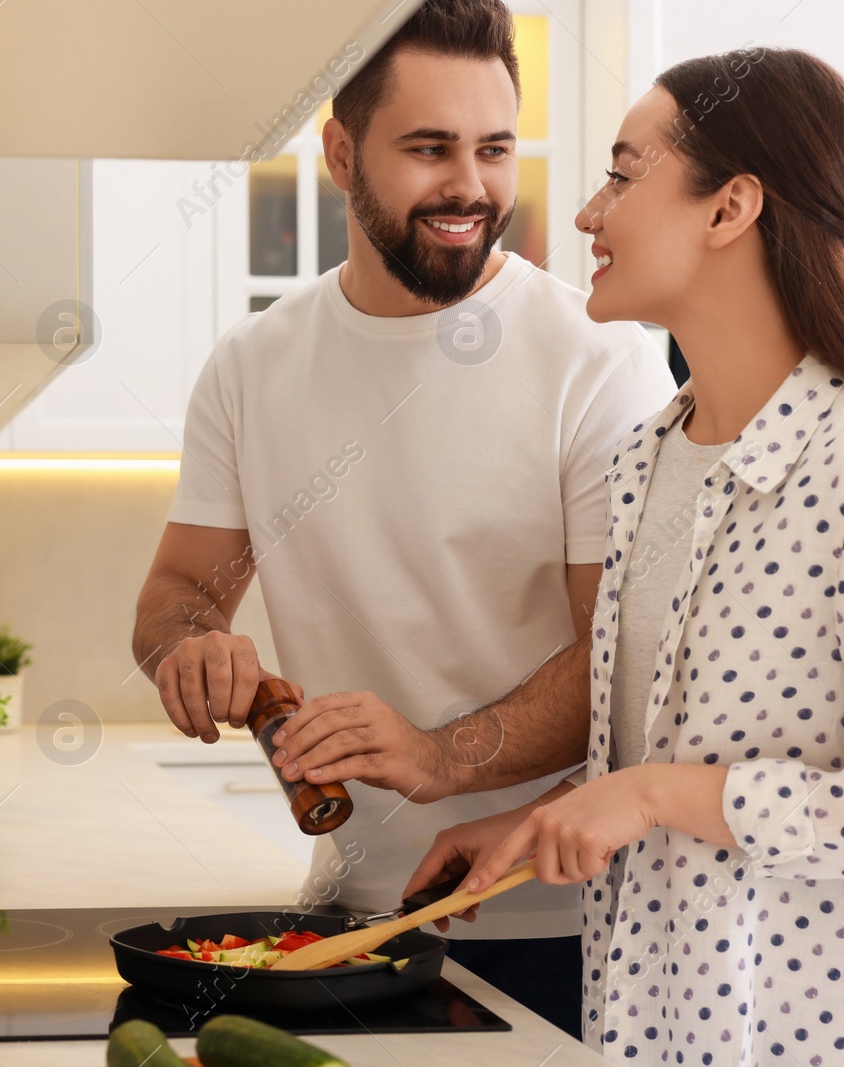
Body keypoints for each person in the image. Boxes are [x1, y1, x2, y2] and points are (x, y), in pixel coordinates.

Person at [403, 48, 844, 1065]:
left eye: (620, 173)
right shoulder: (652, 459)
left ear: (728, 207)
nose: (586, 215)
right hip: (659, 1023)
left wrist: (647, 794)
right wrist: (551, 815)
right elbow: (684, 756)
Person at [130, 0, 675, 1037]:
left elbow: (623, 657)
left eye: (493, 149)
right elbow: (174, 597)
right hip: (346, 914)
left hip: (556, 925)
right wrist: (192, 650)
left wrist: (438, 756)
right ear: (340, 152)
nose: (469, 187)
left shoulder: (597, 362)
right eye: (429, 149)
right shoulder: (253, 365)